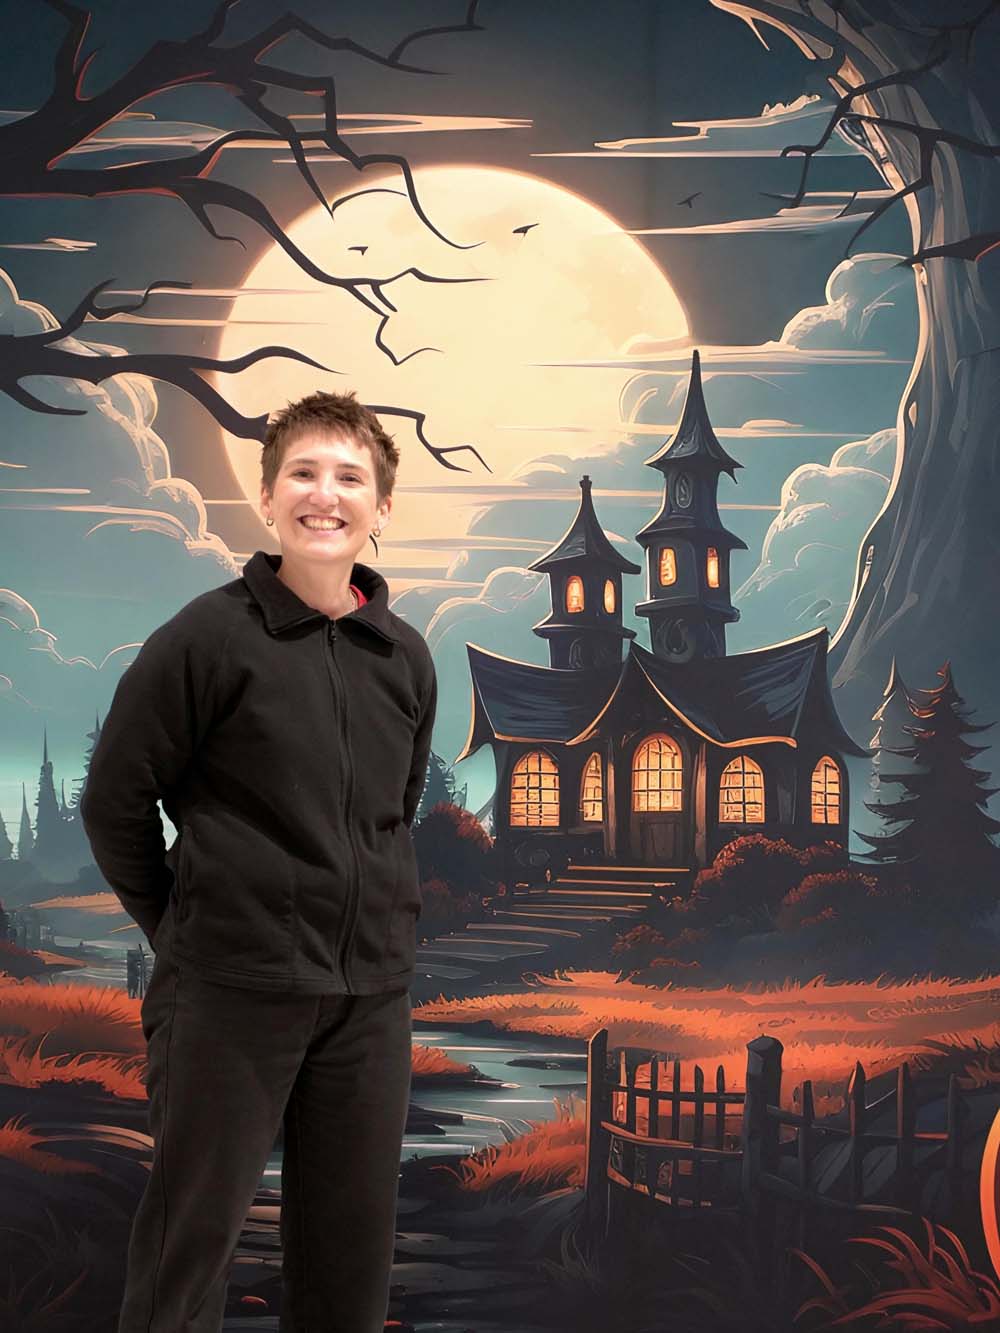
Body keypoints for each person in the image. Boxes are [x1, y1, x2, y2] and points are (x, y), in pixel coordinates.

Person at [80, 390, 437, 1333]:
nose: (326, 495)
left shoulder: (405, 657)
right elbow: (114, 802)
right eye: (303, 473)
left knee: (349, 1267)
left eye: (350, 477)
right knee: (188, 1252)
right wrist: (187, 928)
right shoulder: (206, 638)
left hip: (369, 1001)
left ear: (382, 507)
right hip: (228, 994)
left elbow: (391, 814)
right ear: (268, 498)